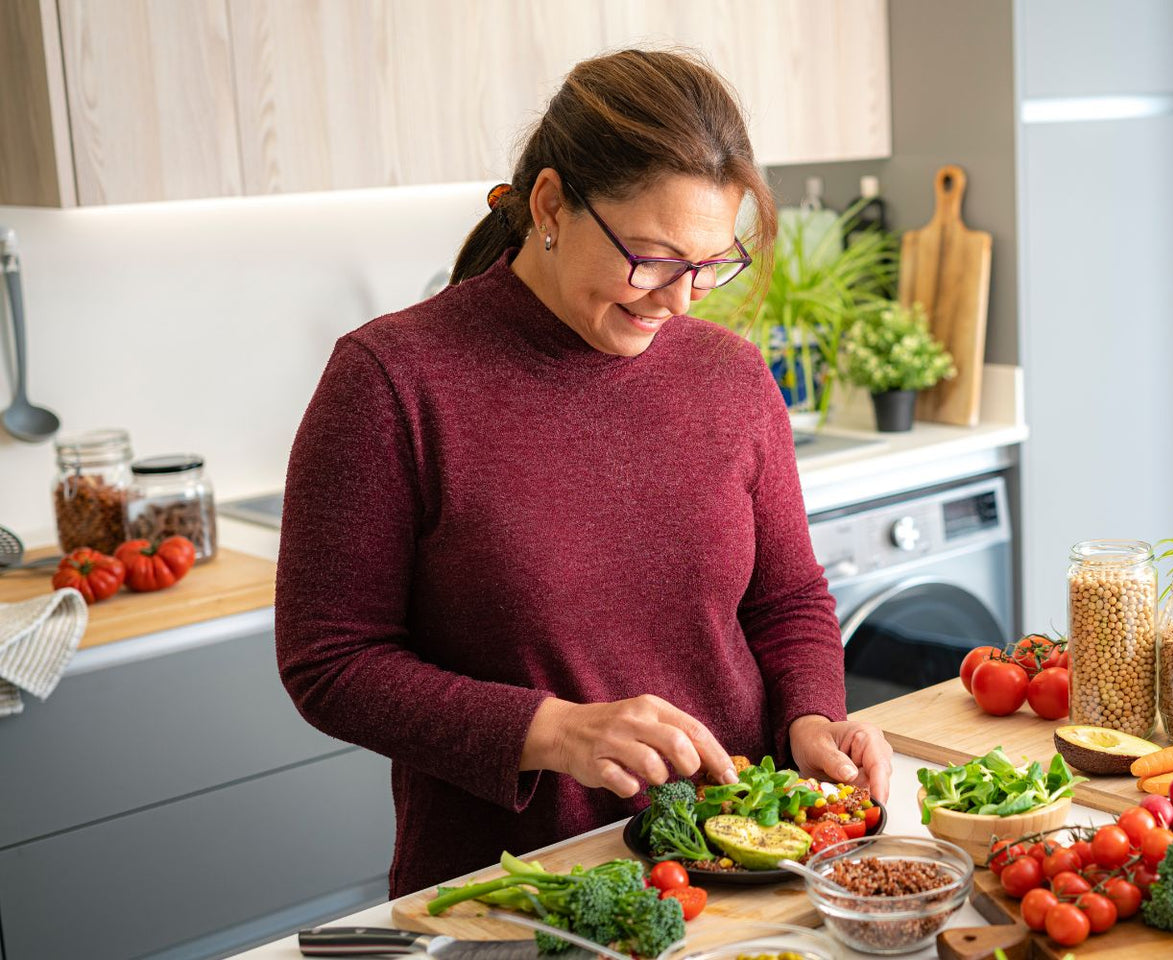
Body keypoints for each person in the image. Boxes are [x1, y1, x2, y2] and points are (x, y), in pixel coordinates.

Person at [275, 48, 891, 897]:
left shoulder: (730, 376)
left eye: (712, 265)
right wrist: (553, 732)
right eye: (653, 257)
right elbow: (330, 662)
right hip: (523, 887)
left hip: (744, 864)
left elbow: (786, 601)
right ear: (552, 204)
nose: (680, 300)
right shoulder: (392, 380)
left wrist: (815, 713)